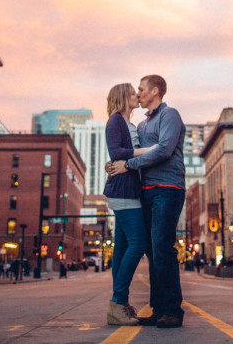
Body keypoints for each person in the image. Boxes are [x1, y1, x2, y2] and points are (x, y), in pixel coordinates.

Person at [109, 75, 186, 329]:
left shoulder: (169, 115)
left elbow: (164, 150)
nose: (138, 93)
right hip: (146, 191)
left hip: (168, 188)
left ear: (155, 91)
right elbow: (128, 152)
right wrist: (116, 165)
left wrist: (128, 164)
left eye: (141, 89)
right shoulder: (141, 126)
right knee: (152, 251)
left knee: (163, 247)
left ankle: (172, 310)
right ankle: (158, 309)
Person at [103, 83, 155, 326]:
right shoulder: (115, 120)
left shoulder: (129, 124)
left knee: (122, 247)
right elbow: (116, 152)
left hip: (129, 190)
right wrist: (148, 150)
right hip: (122, 191)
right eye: (133, 92)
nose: (137, 95)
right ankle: (117, 300)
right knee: (138, 242)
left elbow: (120, 155)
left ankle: (119, 305)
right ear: (123, 97)